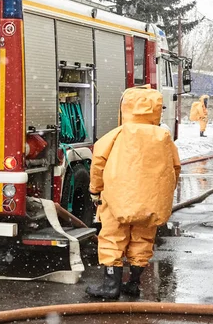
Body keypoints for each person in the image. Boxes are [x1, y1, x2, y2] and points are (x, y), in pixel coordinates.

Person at [86, 86, 181, 299]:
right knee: (142, 240)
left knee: (112, 238)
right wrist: (162, 194)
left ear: (126, 108)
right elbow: (174, 168)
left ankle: (110, 286)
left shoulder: (116, 135)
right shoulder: (164, 137)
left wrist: (95, 189)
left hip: (118, 198)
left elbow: (98, 163)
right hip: (150, 202)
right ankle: (133, 283)